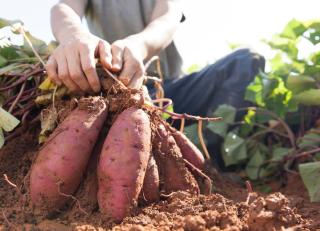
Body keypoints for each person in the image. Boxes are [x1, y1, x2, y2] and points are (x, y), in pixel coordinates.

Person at [47, 0, 265, 165]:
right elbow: (63, 9)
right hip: (119, 93)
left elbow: (168, 18)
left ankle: (210, 158)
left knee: (246, 60)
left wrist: (138, 46)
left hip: (167, 92)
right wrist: (73, 36)